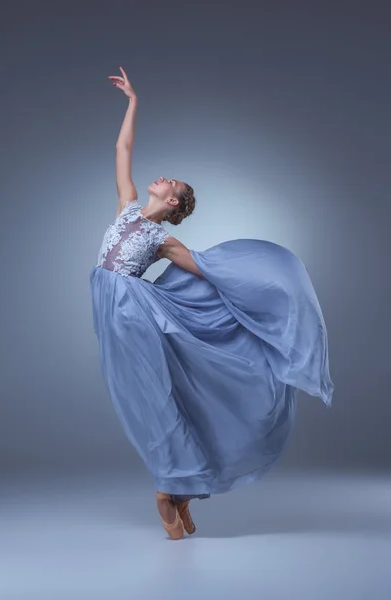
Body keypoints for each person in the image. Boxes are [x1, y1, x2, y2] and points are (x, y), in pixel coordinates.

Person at [90, 67, 335, 541]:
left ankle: (170, 489)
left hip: (131, 313)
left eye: (171, 183)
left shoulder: (162, 240)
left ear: (175, 203)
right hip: (113, 308)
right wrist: (132, 102)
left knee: (154, 399)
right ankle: (181, 488)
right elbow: (122, 151)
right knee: (150, 397)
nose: (161, 178)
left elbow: (213, 273)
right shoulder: (127, 205)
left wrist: (275, 291)